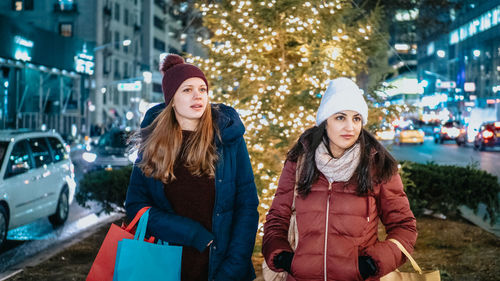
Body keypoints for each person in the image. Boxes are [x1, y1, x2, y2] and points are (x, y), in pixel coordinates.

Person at [262, 78, 417, 281]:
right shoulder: (299, 162)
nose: (350, 127)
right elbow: (277, 218)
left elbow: (404, 227)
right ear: (326, 120)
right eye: (340, 117)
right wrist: (283, 258)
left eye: (356, 119)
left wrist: (371, 264)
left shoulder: (378, 165)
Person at [125, 54, 259, 281]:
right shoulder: (154, 143)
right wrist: (190, 232)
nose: (198, 96)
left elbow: (246, 206)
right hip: (165, 266)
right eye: (187, 90)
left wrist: (233, 267)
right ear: (171, 99)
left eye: (202, 89)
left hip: (223, 266)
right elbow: (136, 206)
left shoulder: (228, 139)